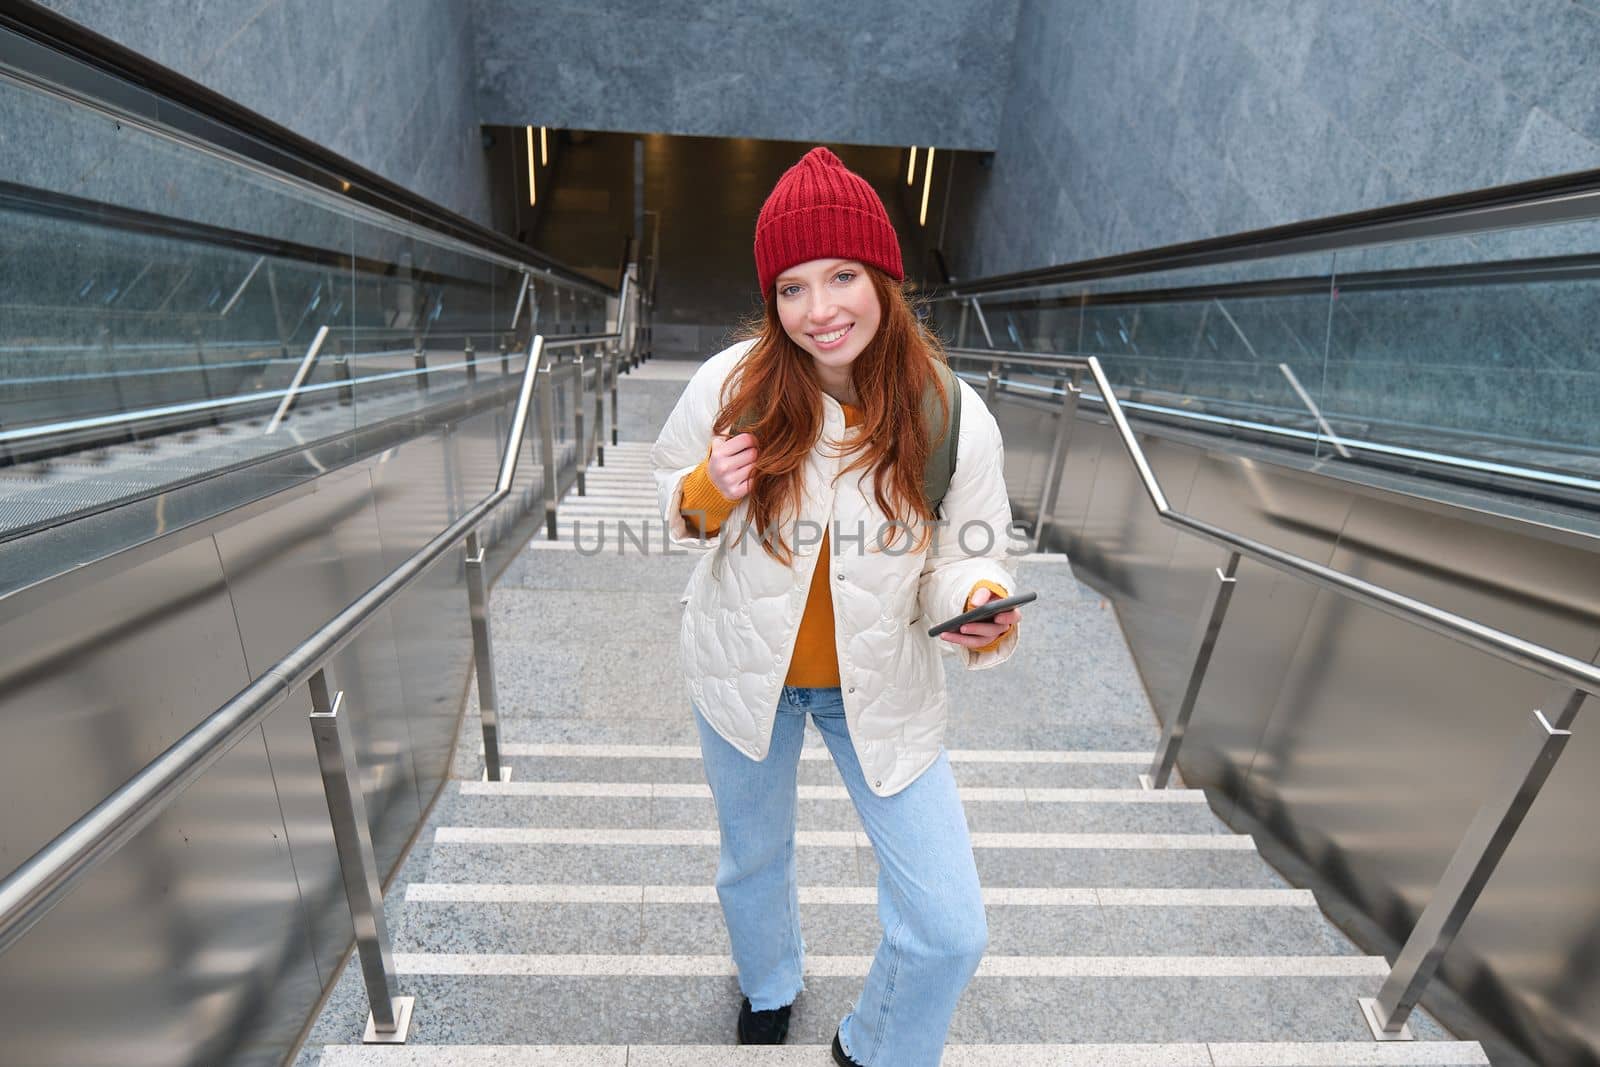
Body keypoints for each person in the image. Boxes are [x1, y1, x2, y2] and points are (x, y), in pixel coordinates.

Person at [650, 146, 1025, 1067]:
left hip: (884, 684)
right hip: (745, 674)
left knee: (948, 926)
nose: (819, 311)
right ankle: (769, 981)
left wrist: (975, 600)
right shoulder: (733, 383)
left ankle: (877, 1045)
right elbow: (673, 507)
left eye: (842, 276)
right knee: (751, 859)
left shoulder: (951, 414)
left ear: (885, 277)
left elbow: (968, 555)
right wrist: (708, 487)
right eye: (791, 287)